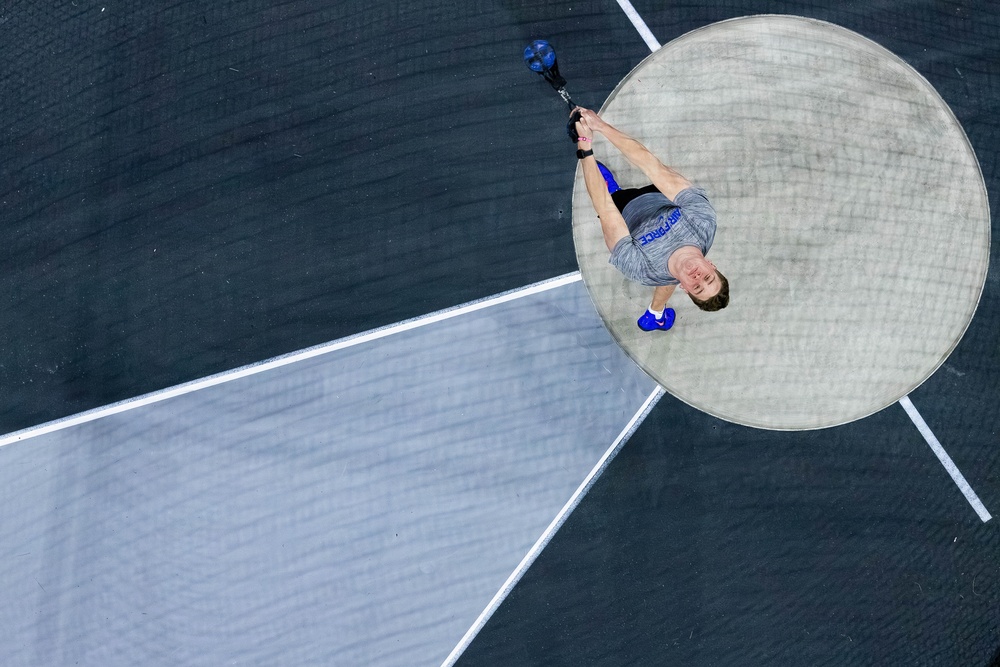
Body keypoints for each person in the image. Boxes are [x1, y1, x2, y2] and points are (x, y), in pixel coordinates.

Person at [571, 107, 729, 331]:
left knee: (611, 198)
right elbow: (651, 166)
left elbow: (605, 209)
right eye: (708, 278)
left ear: (684, 288)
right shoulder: (702, 221)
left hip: (624, 211)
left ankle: (613, 188)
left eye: (697, 287)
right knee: (664, 174)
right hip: (658, 195)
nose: (698, 278)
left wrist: (585, 148)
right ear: (711, 265)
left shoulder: (642, 269)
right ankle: (656, 313)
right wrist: (600, 126)